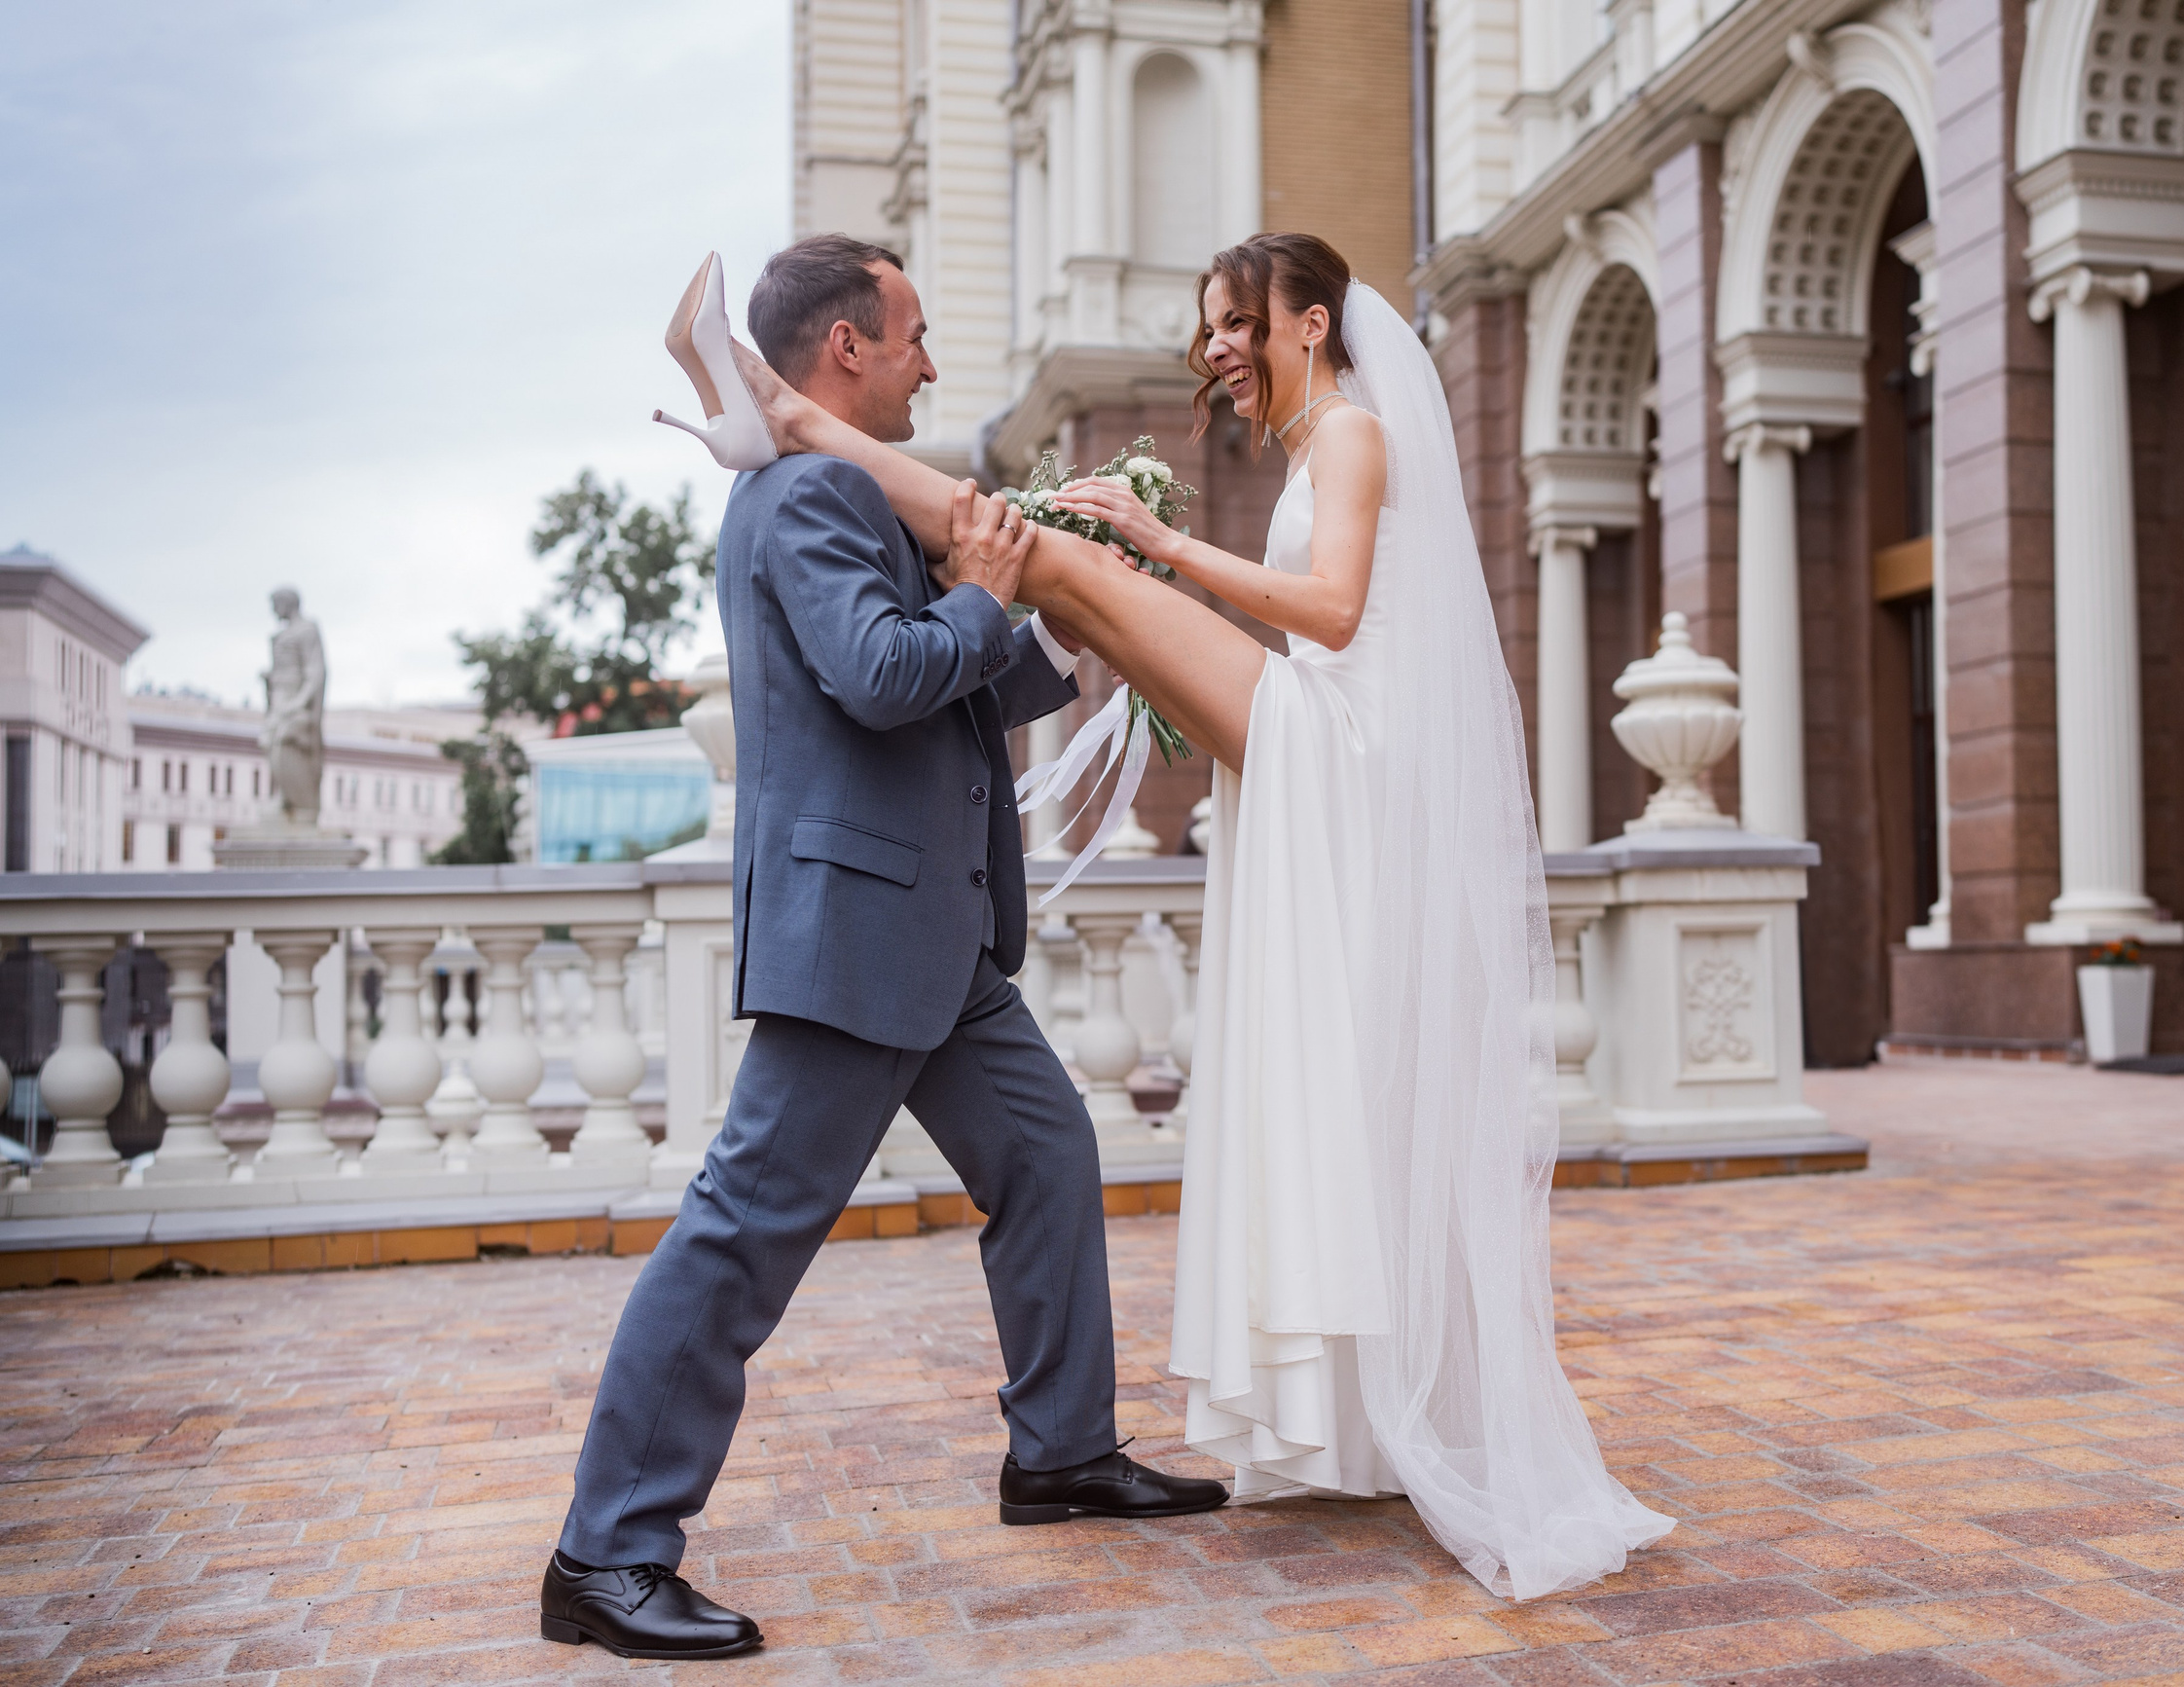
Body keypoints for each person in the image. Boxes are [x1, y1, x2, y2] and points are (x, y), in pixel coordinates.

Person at [702, 233, 1671, 1601]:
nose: (1217, 347)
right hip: (1321, 744)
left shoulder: (1351, 437)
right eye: (1209, 325)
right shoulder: (1311, 443)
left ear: (1314, 322)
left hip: (1343, 741)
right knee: (1069, 580)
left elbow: (1331, 614)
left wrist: (1163, 545)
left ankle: (796, 420)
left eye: (1237, 323)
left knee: (1076, 568)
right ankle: (1096, 1445)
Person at [541, 236, 1225, 1665]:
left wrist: (1043, 616)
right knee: (741, 1238)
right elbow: (878, 670)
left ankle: (1062, 1451)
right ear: (844, 348)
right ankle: (606, 1553)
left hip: (931, 933)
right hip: (856, 929)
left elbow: (938, 676)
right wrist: (986, 598)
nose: (930, 362)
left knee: (1046, 1154)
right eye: (911, 335)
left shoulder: (836, 490)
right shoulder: (805, 495)